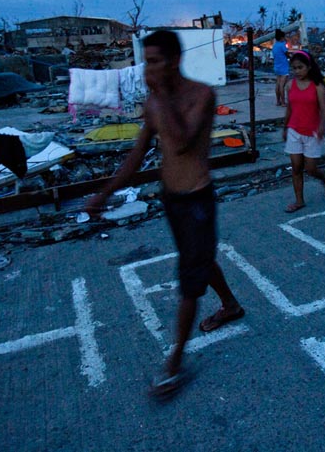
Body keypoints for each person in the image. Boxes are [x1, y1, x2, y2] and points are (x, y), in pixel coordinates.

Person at [85, 30, 245, 397]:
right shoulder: (155, 104)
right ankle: (231, 305)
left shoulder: (202, 95)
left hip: (196, 199)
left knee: (189, 279)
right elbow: (137, 155)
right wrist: (103, 194)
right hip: (171, 198)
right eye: (146, 61)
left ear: (174, 61)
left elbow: (183, 140)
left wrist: (159, 96)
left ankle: (173, 364)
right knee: (198, 259)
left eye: (155, 61)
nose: (148, 68)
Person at [282, 50, 325, 213]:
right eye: (294, 68)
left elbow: (324, 110)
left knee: (311, 169)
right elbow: (289, 108)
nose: (297, 71)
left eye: (300, 67)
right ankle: (299, 201)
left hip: (312, 132)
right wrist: (285, 127)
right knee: (296, 166)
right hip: (294, 130)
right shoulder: (290, 85)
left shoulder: (317, 86)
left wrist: (322, 126)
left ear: (308, 67)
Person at [272, 29, 289, 106]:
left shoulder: (275, 45)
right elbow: (287, 53)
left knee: (278, 84)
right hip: (283, 66)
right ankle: (283, 102)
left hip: (276, 66)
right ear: (282, 37)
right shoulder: (282, 45)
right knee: (282, 85)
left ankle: (278, 101)